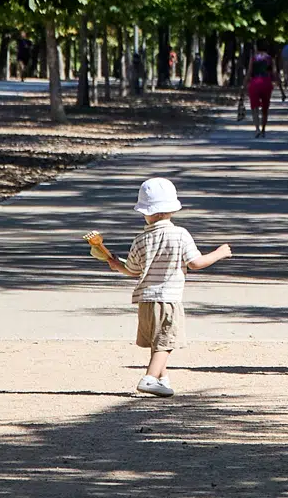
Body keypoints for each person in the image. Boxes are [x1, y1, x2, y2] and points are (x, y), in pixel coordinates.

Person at [103, 177, 233, 397]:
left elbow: (133, 270)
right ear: (172, 209)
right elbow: (195, 263)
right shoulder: (180, 234)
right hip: (168, 298)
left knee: (157, 340)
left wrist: (117, 266)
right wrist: (219, 253)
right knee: (166, 342)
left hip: (145, 299)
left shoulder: (140, 239)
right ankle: (149, 379)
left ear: (145, 212)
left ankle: (162, 379)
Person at [246, 39, 276, 137]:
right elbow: (274, 73)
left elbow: (249, 72)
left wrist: (244, 85)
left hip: (255, 83)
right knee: (265, 108)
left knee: (254, 107)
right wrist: (281, 90)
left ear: (257, 47)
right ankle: (263, 129)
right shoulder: (270, 59)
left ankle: (257, 129)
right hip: (266, 83)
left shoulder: (253, 58)